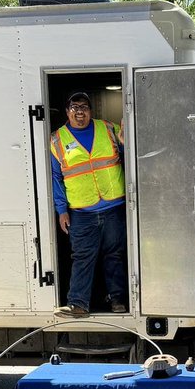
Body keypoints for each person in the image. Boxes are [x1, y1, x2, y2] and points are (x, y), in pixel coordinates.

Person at [50, 91, 127, 317]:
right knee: (83, 257)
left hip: (113, 206)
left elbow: (126, 154)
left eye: (83, 107)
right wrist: (61, 210)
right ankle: (78, 304)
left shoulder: (108, 128)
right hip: (81, 212)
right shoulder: (57, 139)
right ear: (67, 111)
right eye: (74, 108)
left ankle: (118, 300)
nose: (79, 112)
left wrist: (124, 142)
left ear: (90, 110)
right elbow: (56, 178)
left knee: (114, 255)